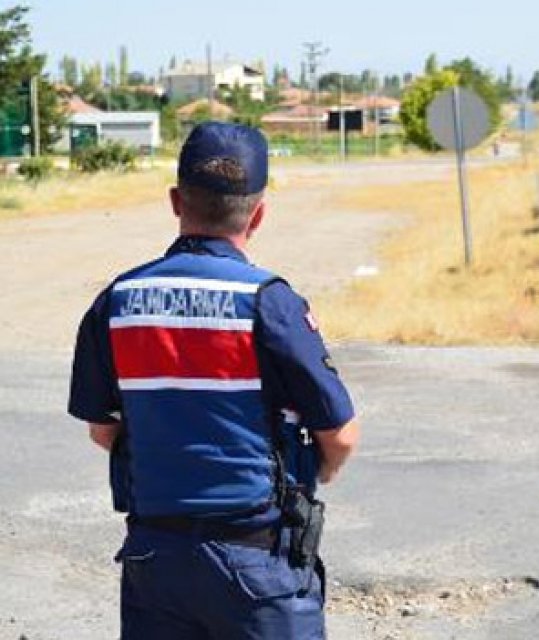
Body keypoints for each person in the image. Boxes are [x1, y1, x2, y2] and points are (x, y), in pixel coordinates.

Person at [67, 121, 361, 638]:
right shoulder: (271, 303)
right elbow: (340, 435)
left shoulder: (116, 300)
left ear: (176, 201)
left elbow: (102, 429)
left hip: (155, 559)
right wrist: (319, 471)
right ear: (259, 213)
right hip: (258, 563)